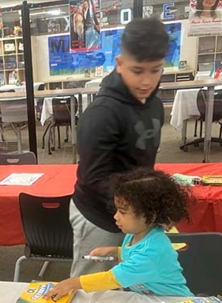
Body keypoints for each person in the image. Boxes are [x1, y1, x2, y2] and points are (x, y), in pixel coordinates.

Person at [70, 17, 169, 277]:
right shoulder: (102, 113)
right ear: (120, 64)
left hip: (134, 214)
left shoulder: (155, 105)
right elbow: (94, 180)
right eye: (137, 71)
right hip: (99, 217)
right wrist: (133, 210)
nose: (147, 81)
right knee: (90, 288)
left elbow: (143, 163)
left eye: (155, 69)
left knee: (128, 282)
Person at [45, 169, 193, 300]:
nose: (115, 216)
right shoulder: (136, 234)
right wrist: (115, 252)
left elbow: (111, 278)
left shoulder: (151, 252)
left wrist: (72, 283)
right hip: (153, 302)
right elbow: (134, 255)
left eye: (122, 212)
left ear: (150, 215)